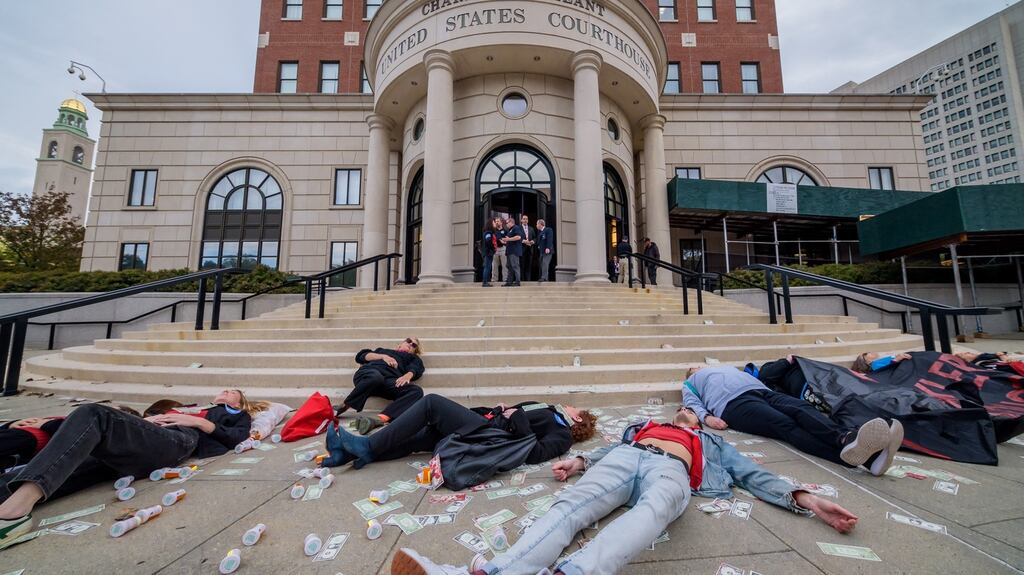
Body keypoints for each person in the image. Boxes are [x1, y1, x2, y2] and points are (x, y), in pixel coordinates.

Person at [391, 405, 860, 575]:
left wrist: (806, 498)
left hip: (672, 474)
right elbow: (605, 451)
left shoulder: (709, 441)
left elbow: (754, 475)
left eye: (690, 414)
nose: (684, 415)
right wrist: (577, 460)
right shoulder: (643, 427)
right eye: (681, 412)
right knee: (569, 507)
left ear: (698, 421)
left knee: (652, 513)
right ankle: (492, 572)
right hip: (625, 460)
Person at [0, 390, 257, 547]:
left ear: (240, 401)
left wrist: (194, 421)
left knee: (94, 413)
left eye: (232, 391)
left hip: (176, 440)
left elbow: (235, 438)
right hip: (140, 441)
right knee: (59, 467)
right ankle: (10, 500)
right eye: (224, 389)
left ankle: (15, 512)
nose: (226, 392)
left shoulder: (229, 414)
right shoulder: (188, 405)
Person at [683, 365, 902, 476]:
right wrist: (708, 418)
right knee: (784, 424)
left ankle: (847, 438)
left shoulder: (726, 368)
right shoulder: (691, 382)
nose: (697, 368)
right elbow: (692, 404)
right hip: (732, 404)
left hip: (762, 391)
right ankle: (858, 458)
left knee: (801, 409)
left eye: (697, 366)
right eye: (693, 368)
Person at [323, 394, 596, 469]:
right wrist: (504, 408)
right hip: (483, 421)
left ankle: (366, 447)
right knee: (422, 438)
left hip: (487, 434)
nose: (568, 403)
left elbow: (533, 453)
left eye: (574, 406)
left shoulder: (561, 435)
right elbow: (514, 414)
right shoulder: (549, 408)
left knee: (431, 403)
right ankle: (346, 455)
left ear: (576, 417)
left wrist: (516, 415)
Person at [336, 338, 425, 435]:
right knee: (375, 377)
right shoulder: (382, 351)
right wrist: (383, 357)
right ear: (401, 343)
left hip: (389, 381)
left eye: (414, 345)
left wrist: (408, 375)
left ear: (414, 351)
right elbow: (361, 356)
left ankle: (380, 418)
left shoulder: (412, 358)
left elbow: (417, 368)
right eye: (408, 341)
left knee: (416, 391)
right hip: (368, 375)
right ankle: (346, 405)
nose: (410, 344)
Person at [501, 218, 524, 287]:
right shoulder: (510, 230)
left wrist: (508, 239)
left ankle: (517, 281)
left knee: (515, 266)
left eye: (507, 223)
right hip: (509, 251)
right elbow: (510, 240)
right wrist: (505, 241)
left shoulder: (516, 228)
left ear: (511, 222)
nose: (506, 224)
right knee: (509, 266)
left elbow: (518, 237)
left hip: (514, 251)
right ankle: (509, 282)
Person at [481, 218, 499, 288]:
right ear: (491, 224)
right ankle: (485, 282)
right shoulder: (488, 232)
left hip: (489, 253)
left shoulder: (490, 232)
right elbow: (488, 241)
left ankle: (486, 282)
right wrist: (493, 249)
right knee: (487, 267)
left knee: (488, 267)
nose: (495, 224)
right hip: (488, 253)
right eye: (494, 223)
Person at [492, 217, 507, 285]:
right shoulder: (493, 231)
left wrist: (504, 241)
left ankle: (505, 279)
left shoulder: (505, 230)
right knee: (494, 265)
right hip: (495, 249)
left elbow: (507, 240)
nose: (497, 222)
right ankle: (494, 279)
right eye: (496, 221)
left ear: (501, 222)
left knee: (505, 265)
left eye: (498, 221)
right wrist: (500, 239)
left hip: (503, 248)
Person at [519, 214, 535, 282]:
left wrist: (533, 241)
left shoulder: (531, 228)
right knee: (521, 266)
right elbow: (516, 237)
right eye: (524, 219)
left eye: (526, 219)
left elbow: (535, 238)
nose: (525, 220)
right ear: (521, 220)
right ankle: (522, 280)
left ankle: (528, 281)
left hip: (529, 250)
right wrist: (523, 241)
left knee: (528, 266)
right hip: (522, 250)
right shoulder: (518, 228)